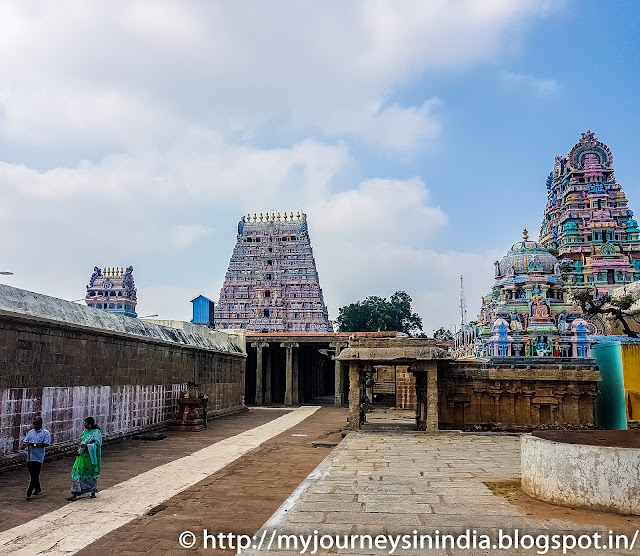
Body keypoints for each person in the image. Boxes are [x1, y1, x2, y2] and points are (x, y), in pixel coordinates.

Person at [66, 417, 102, 501]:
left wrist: (86, 446)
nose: (84, 425)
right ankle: (75, 493)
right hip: (82, 456)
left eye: (85, 423)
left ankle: (92, 491)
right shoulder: (86, 432)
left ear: (89, 424)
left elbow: (96, 445)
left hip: (90, 458)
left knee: (91, 474)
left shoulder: (96, 433)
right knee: (76, 473)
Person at [22, 417, 51, 501]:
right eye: (34, 424)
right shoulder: (31, 432)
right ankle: (38, 489)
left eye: (37, 424)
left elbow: (46, 444)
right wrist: (24, 445)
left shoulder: (45, 433)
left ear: (41, 424)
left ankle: (29, 493)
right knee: (33, 475)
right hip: (30, 457)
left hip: (38, 457)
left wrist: (34, 445)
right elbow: (26, 441)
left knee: (34, 476)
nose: (35, 426)